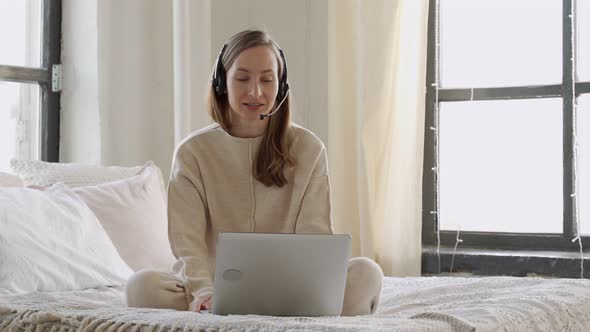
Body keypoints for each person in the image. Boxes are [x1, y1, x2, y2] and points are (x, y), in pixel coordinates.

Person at [125, 29, 383, 316]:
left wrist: (312, 289)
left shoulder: (308, 148)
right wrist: (204, 291)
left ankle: (309, 315)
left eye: (267, 79)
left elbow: (315, 237)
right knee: (142, 285)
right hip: (213, 290)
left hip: (294, 289)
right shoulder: (193, 153)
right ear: (222, 83)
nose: (255, 92)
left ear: (281, 86)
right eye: (242, 78)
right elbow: (188, 244)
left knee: (366, 272)